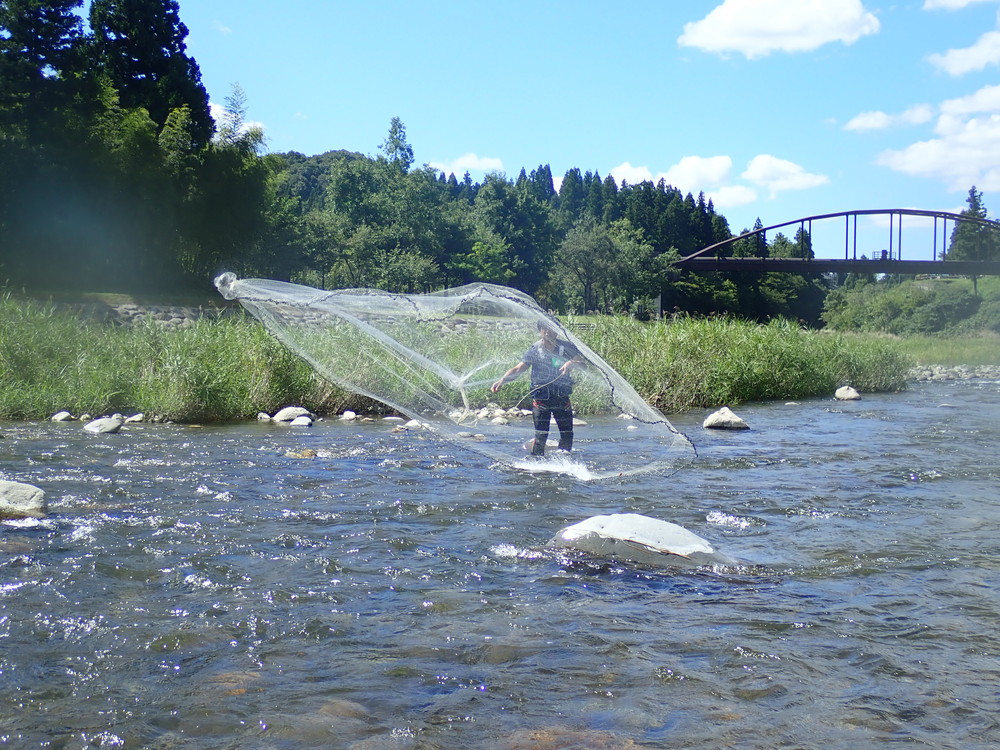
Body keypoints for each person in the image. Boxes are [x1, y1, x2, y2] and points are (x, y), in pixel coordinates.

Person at [491, 321, 583, 455]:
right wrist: (503, 380)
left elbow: (583, 364)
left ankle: (565, 463)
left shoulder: (566, 347)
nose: (547, 332)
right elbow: (519, 368)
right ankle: (537, 465)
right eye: (544, 329)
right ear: (540, 331)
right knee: (540, 437)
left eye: (551, 329)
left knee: (567, 434)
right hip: (541, 400)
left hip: (562, 399)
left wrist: (572, 363)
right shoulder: (535, 350)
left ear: (556, 331)